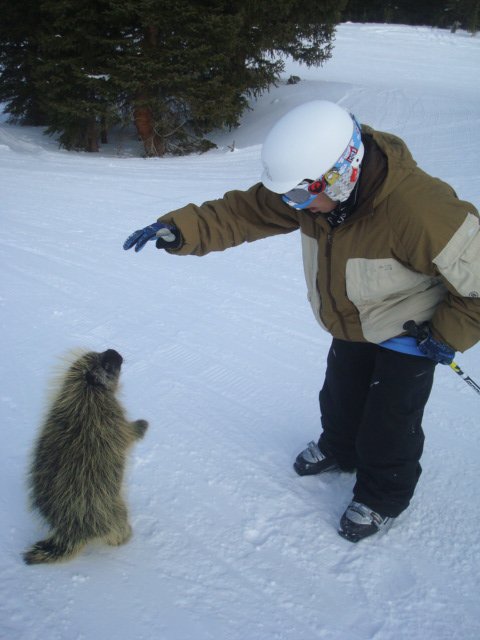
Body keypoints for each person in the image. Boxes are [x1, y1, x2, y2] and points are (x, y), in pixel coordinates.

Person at [124, 100, 480, 543]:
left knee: (391, 420)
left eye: (299, 195)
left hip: (411, 330)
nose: (295, 205)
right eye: (289, 196)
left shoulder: (419, 211)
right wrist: (184, 229)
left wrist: (447, 333)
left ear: (342, 172)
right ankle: (339, 447)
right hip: (352, 318)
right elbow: (246, 212)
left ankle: (383, 495)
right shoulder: (316, 192)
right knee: (341, 395)